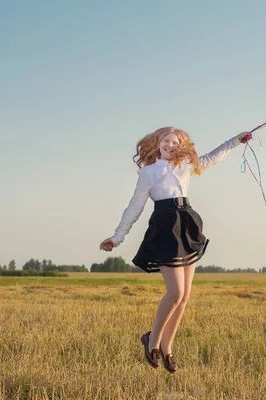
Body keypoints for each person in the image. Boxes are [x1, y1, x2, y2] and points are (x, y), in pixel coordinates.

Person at [99, 126, 252, 373]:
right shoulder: (148, 173)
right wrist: (118, 237)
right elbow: (134, 207)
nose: (171, 145)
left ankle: (168, 348)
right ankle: (152, 340)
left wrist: (236, 140)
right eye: (167, 141)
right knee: (175, 292)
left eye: (176, 142)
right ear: (158, 142)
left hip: (187, 223)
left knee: (184, 296)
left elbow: (213, 156)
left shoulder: (186, 166)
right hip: (165, 227)